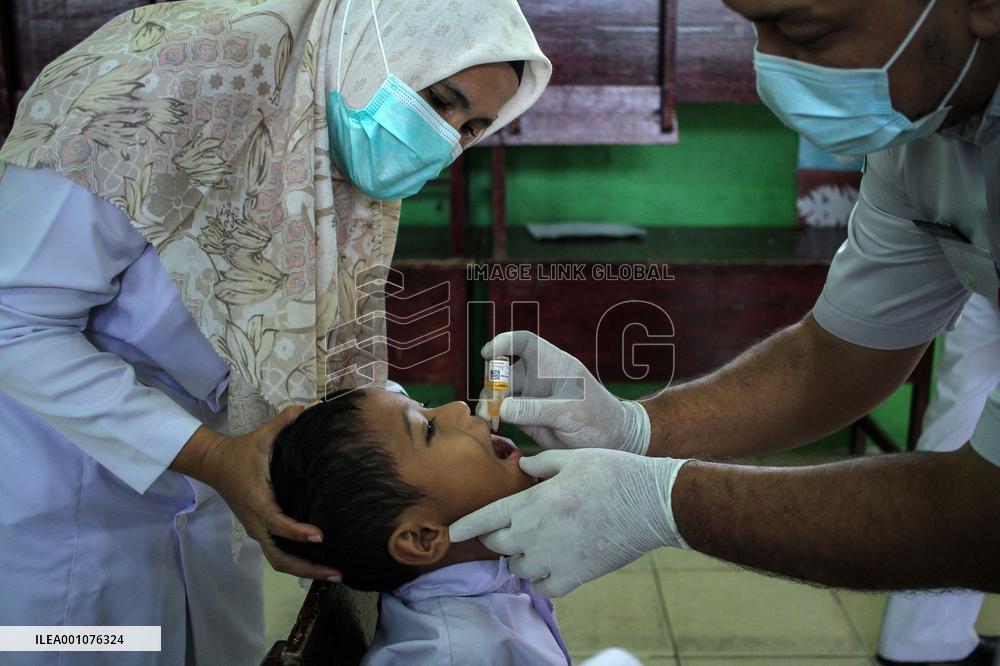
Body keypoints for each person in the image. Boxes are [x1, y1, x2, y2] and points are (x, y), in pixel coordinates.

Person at [0, 1, 550, 663]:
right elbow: (13, 323)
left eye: (472, 128)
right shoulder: (153, 90)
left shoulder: (329, 125)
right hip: (61, 503)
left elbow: (308, 341)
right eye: (439, 100)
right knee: (77, 647)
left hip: (211, 501)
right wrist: (210, 455)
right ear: (378, 43)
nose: (442, 139)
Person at [449, 0, 1000, 633]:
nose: (771, 66)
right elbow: (837, 357)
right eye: (755, 28)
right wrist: (633, 430)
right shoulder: (921, 131)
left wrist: (662, 502)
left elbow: (987, 514)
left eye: (804, 30)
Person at [269, 388, 640, 666]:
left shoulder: (475, 558)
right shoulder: (457, 655)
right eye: (428, 429)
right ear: (423, 537)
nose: (458, 407)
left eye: (424, 405)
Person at [876, 294, 1000, 665]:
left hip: (982, 247)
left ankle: (922, 635)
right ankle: (925, 636)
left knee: (968, 398)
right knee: (970, 398)